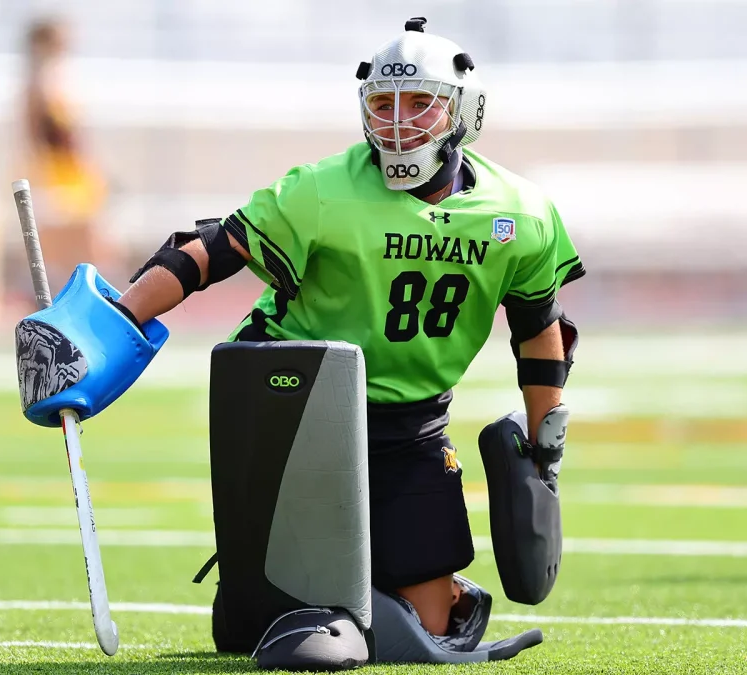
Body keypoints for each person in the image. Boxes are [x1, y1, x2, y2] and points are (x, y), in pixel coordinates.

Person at [111, 17, 583, 638]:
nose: (398, 121)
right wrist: (119, 319)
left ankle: (393, 578)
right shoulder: (323, 189)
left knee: (423, 625)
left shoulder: (519, 211)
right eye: (383, 103)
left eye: (421, 104)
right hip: (299, 398)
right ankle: (279, 578)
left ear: (465, 112)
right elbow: (207, 252)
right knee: (273, 625)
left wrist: (545, 444)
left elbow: (537, 325)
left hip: (413, 415)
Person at [22, 17, 112, 291]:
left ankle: (92, 290)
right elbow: (45, 134)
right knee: (66, 239)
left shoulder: (56, 80)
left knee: (86, 237)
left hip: (70, 170)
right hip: (57, 171)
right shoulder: (38, 84)